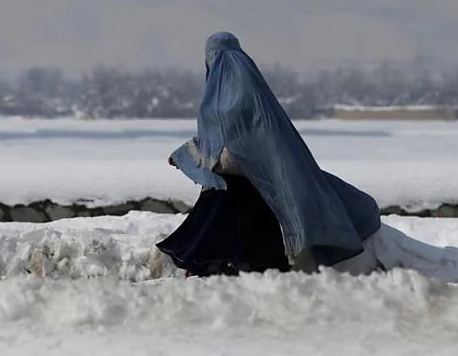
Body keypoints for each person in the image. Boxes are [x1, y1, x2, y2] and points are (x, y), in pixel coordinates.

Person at [156, 31, 384, 277]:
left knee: (221, 208)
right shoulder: (256, 93)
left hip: (245, 190)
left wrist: (185, 157)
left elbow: (226, 155)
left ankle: (219, 262)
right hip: (265, 185)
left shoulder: (218, 102)